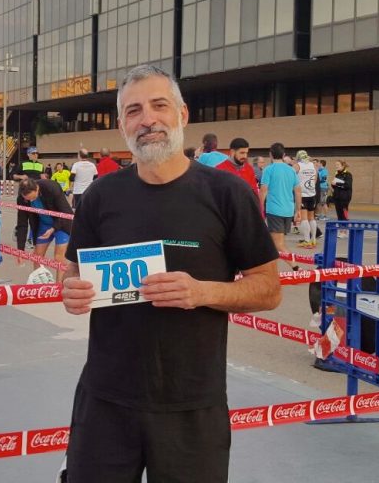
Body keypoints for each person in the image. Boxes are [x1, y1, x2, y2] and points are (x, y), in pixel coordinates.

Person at [60, 65, 280, 482]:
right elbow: (71, 274)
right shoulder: (101, 196)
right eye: (134, 111)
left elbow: (268, 290)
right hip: (105, 398)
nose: (148, 119)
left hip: (192, 402)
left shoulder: (228, 193)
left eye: (159, 105)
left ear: (182, 115)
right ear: (122, 124)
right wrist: (70, 291)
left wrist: (202, 293)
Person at [16, 177, 73, 281]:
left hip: (61, 223)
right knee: (37, 256)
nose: (31, 201)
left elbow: (66, 213)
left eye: (33, 198)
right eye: (28, 200)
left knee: (59, 258)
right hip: (43, 224)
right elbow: (22, 224)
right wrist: (20, 250)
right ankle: (40, 285)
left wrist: (54, 228)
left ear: (37, 189)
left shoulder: (51, 187)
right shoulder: (22, 199)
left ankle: (58, 287)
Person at [259, 142, 301, 266]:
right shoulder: (291, 170)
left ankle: (296, 268)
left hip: (275, 210)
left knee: (278, 245)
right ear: (283, 155)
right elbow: (298, 191)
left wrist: (259, 208)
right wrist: (298, 210)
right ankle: (267, 269)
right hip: (288, 210)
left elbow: (263, 190)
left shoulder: (268, 169)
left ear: (270, 154)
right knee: (273, 243)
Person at [215, 137, 261, 211]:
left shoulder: (249, 169)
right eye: (242, 153)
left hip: (246, 213)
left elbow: (255, 193)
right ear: (232, 152)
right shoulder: (219, 169)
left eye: (246, 153)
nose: (245, 156)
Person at [293, 150, 319, 249]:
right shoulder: (313, 165)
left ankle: (307, 240)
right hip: (312, 193)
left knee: (304, 218)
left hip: (302, 194)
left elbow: (291, 177)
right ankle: (313, 239)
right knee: (311, 217)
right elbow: (315, 179)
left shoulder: (297, 165)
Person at [330, 160, 353, 238]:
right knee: (339, 214)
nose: (336, 166)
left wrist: (337, 183)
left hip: (345, 197)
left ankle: (345, 231)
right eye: (335, 164)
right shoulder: (337, 174)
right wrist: (333, 184)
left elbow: (348, 185)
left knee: (344, 214)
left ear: (343, 166)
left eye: (338, 164)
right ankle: (341, 230)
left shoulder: (348, 174)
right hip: (337, 197)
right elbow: (335, 186)